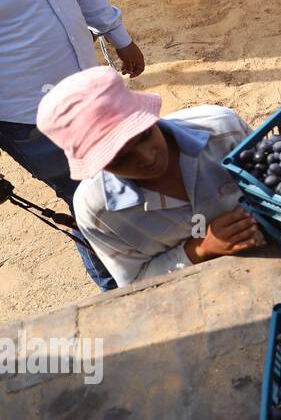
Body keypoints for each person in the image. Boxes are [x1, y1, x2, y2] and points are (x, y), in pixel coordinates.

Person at [0, 0, 145, 291]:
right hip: (31, 118)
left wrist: (118, 34)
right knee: (87, 199)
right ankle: (118, 291)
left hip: (92, 89)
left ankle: (151, 267)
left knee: (127, 175)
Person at [36, 66, 263, 289]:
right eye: (119, 159)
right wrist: (198, 250)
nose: (146, 157)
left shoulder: (223, 129)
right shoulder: (97, 212)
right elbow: (134, 284)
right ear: (98, 165)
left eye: (144, 135)